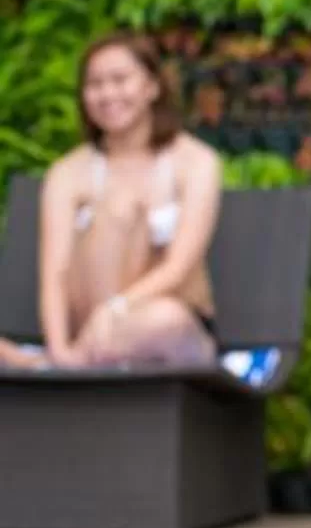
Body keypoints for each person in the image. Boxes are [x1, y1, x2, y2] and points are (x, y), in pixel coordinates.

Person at [0, 35, 222, 372]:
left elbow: (178, 267)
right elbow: (55, 275)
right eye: (95, 84)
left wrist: (117, 308)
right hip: (87, 324)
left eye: (120, 80)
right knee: (111, 211)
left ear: (151, 87)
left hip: (163, 322)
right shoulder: (67, 173)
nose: (107, 95)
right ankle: (62, 361)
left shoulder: (196, 162)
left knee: (164, 319)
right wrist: (59, 347)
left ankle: (49, 364)